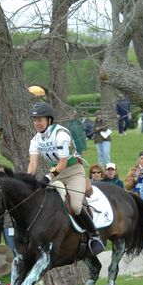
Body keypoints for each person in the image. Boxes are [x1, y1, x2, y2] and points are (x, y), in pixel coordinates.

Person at [27, 101, 104, 254]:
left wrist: (48, 177)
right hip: (57, 175)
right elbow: (33, 164)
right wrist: (28, 180)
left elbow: (62, 163)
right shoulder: (35, 140)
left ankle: (94, 235)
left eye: (40, 119)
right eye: (35, 120)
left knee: (75, 206)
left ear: (49, 120)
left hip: (73, 172)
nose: (37, 123)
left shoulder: (61, 135)